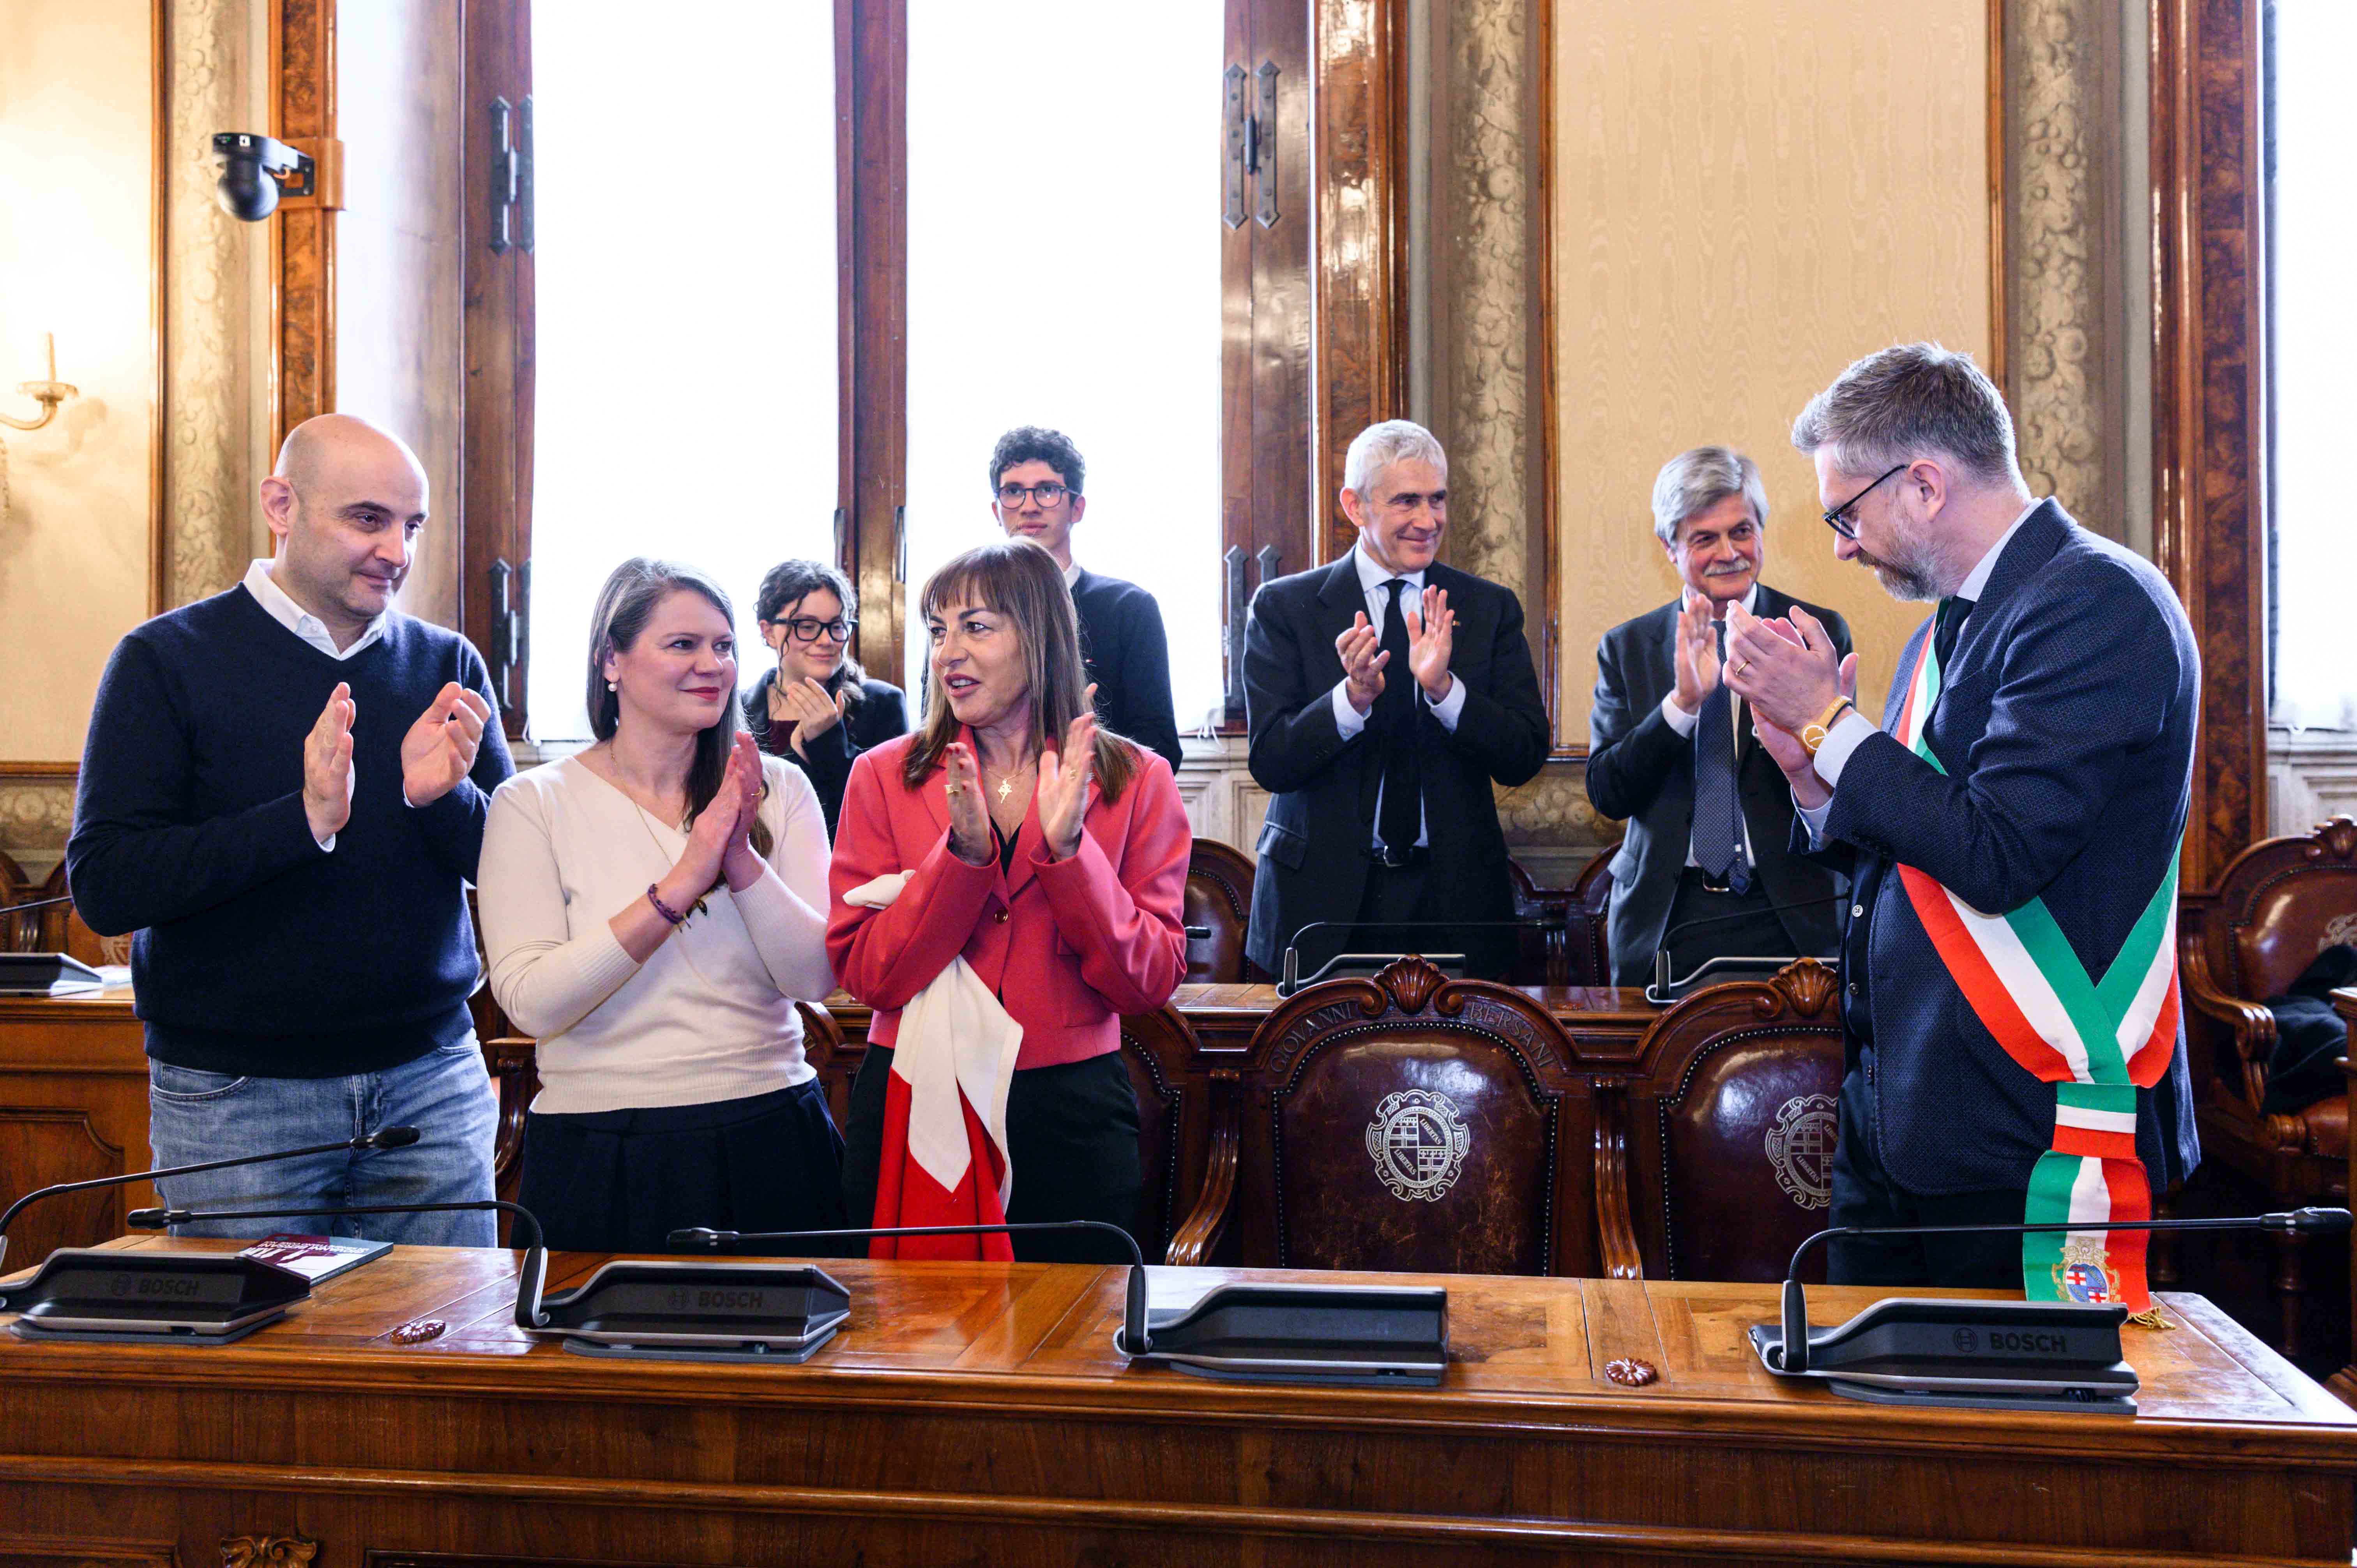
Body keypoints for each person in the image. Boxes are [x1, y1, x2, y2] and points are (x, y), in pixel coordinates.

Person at [1726, 343, 2200, 1305]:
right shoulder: (1948, 626)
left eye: (1846, 515)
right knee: (1868, 1397)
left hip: (2025, 1128)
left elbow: (1998, 852)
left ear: (1925, 484)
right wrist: (1810, 774)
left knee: (2013, 1408)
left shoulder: (2096, 602)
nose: (1844, 546)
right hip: (1904, 1117)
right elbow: (1910, 854)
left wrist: (1831, 723)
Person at [66, 413, 508, 1244]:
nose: (397, 551)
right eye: (368, 518)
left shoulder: (448, 663)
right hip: (236, 1095)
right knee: (260, 1333)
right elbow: (107, 884)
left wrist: (438, 800)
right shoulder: (164, 659)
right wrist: (300, 821)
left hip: (431, 1077)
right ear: (281, 505)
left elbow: (512, 867)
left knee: (448, 1324)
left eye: (412, 525)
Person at [829, 537, 1189, 1263]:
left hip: (1071, 1112)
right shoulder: (882, 774)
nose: (948, 653)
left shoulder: (1137, 778)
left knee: (1075, 1329)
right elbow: (867, 975)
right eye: (938, 630)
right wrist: (960, 860)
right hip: (914, 1094)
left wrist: (1071, 853)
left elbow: (1146, 982)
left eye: (977, 627)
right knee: (913, 1329)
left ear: (1040, 636)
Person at [477, 559, 843, 1253]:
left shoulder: (781, 788)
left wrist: (740, 856)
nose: (713, 665)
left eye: (724, 646)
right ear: (610, 660)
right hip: (599, 1143)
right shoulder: (533, 802)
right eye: (683, 644)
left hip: (769, 1128)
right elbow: (532, 1002)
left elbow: (813, 976)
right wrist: (683, 880)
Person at [1241, 419, 1551, 981]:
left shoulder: (1488, 608)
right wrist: (1351, 700)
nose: (1428, 521)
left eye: (1438, 500)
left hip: (1455, 901)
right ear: (1355, 506)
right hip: (1320, 904)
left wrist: (1445, 691)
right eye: (1407, 501)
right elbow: (1271, 761)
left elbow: (1524, 755)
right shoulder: (1285, 607)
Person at [1587, 447, 1852, 986]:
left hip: (1792, 912)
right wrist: (1682, 705)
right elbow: (1608, 794)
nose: (1729, 553)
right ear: (1670, 548)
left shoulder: (1812, 633)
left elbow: (1841, 780)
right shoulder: (1628, 647)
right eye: (1705, 539)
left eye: (1742, 532)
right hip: (1668, 916)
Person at [989, 426, 1185, 773]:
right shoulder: (964, 612)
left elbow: (1161, 749)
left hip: (1101, 797)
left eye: (1047, 490)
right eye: (1014, 491)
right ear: (996, 510)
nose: (1029, 507)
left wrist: (1085, 754)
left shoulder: (1129, 608)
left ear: (1077, 508)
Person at [742, 557, 909, 839]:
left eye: (837, 626)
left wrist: (829, 742)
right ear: (768, 632)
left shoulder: (883, 704)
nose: (826, 640)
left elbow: (891, 814)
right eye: (807, 627)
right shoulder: (738, 709)